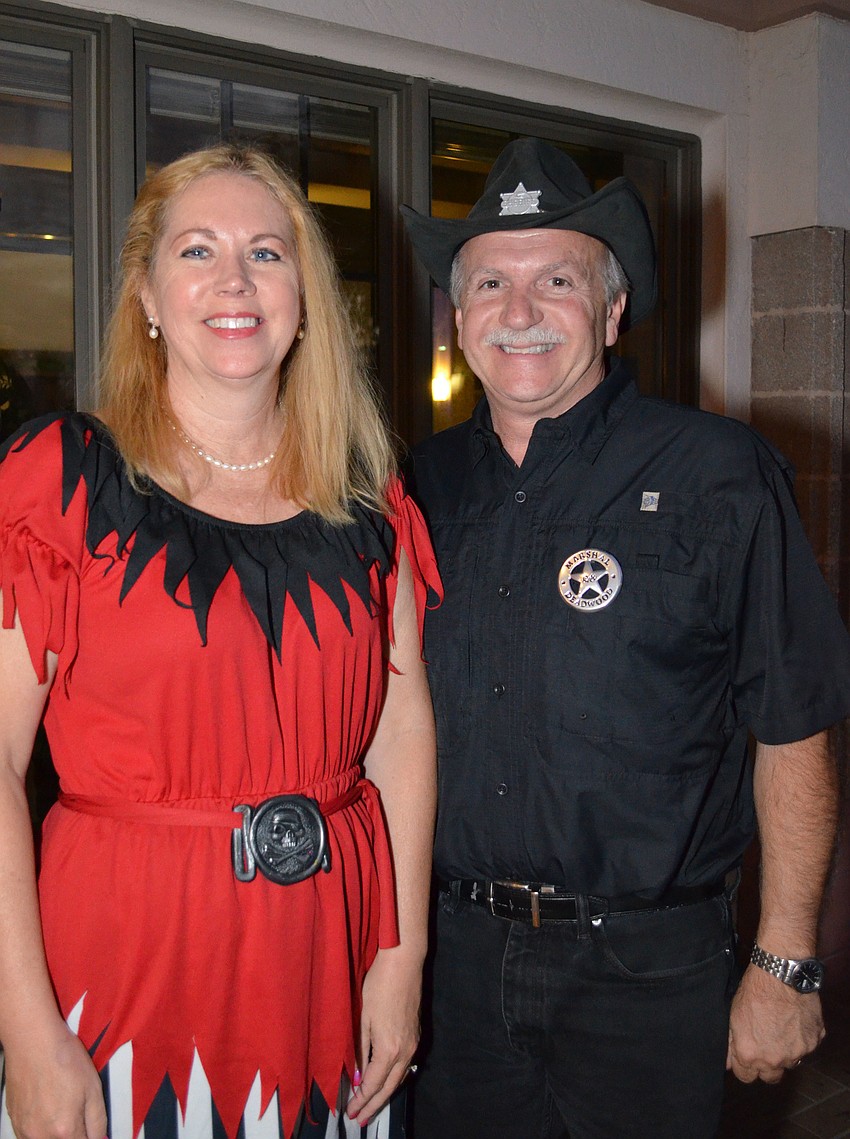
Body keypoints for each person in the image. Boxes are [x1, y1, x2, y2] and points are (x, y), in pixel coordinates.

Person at [400, 137, 850, 1139]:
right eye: (489, 284)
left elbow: (795, 723)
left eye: (555, 279)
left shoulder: (719, 474)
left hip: (645, 975)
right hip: (452, 965)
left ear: (610, 310)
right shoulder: (413, 491)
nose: (518, 311)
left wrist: (784, 961)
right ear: (458, 319)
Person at [0, 142, 440, 1139]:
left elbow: (401, 732)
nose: (234, 280)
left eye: (267, 253)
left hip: (327, 966)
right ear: (148, 296)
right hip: (123, 973)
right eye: (197, 250)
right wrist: (26, 1027)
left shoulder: (369, 497)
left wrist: (400, 954)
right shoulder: (65, 479)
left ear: (305, 296)